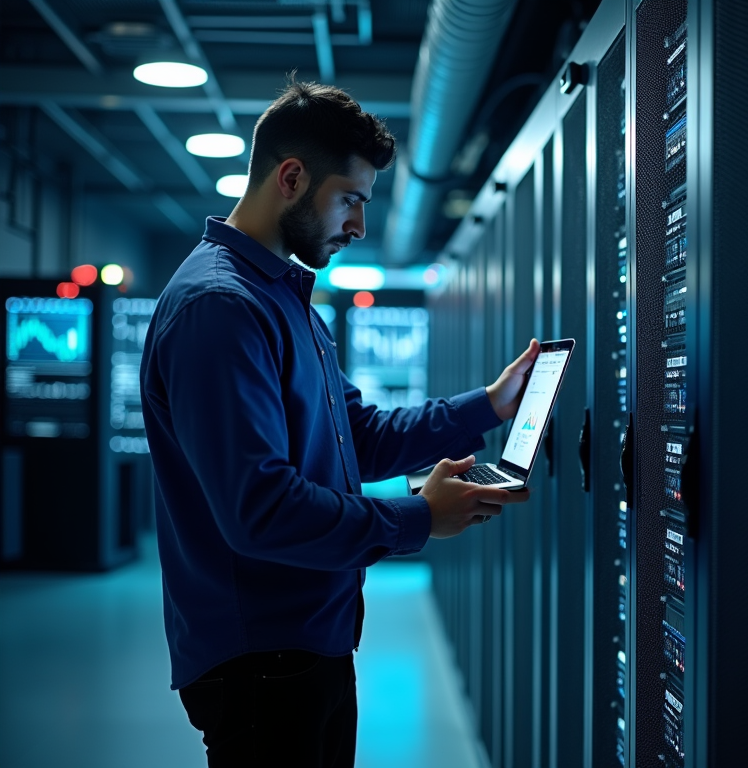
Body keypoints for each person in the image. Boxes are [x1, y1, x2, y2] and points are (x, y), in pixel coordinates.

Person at [139, 77, 537, 768]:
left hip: (305, 642)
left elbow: (360, 434)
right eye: (350, 200)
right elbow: (259, 509)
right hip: (262, 660)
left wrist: (490, 405)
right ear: (291, 177)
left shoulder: (282, 300)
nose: (357, 226)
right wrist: (417, 516)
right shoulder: (220, 309)